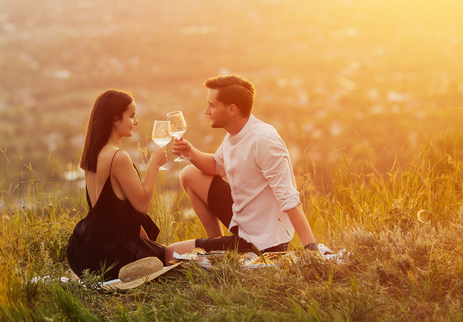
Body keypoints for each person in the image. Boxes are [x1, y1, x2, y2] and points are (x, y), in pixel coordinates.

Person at [165, 75, 317, 262]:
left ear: (231, 110)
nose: (207, 111)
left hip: (261, 241)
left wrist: (311, 250)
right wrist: (190, 152)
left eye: (212, 105)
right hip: (244, 217)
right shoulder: (234, 134)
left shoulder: (263, 141)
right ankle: (216, 242)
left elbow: (289, 199)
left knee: (170, 253)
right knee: (189, 173)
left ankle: (219, 251)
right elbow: (217, 166)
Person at [67, 89, 169, 281]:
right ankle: (229, 244)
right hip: (112, 254)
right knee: (173, 255)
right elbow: (142, 204)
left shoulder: (92, 155)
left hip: (85, 251)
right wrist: (154, 165)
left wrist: (147, 245)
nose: (136, 122)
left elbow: (111, 213)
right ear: (115, 119)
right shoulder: (117, 157)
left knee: (162, 252)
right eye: (131, 116)